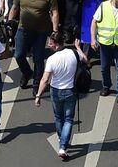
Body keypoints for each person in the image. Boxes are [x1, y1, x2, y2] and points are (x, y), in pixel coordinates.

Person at [36, 31, 85, 159]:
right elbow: (85, 59)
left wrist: (38, 96)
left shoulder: (52, 60)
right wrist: (78, 47)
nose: (49, 45)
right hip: (71, 91)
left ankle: (61, 140)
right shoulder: (73, 53)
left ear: (57, 45)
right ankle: (63, 146)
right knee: (69, 119)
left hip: (56, 91)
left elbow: (45, 80)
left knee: (59, 117)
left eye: (50, 44)